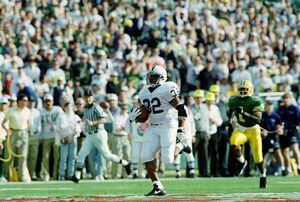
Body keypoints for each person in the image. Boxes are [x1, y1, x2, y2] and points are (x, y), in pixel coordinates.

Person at [128, 65, 191, 196]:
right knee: (145, 155)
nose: (150, 79)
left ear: (162, 78)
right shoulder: (144, 92)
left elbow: (181, 108)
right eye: (150, 76)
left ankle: (180, 145)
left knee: (168, 160)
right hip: (154, 125)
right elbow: (145, 114)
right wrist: (134, 116)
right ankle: (157, 185)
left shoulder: (167, 88)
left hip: (168, 124)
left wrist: (180, 129)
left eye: (154, 76)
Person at [71, 90, 131, 183]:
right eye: (86, 97)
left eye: (89, 96)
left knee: (107, 156)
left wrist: (93, 122)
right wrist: (83, 123)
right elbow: (87, 120)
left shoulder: (96, 107)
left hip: (99, 134)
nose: (88, 98)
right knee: (81, 154)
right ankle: (77, 176)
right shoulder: (86, 108)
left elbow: (103, 120)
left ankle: (126, 163)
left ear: (92, 97)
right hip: (90, 135)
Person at [228, 80, 266, 188]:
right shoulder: (233, 99)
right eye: (241, 89)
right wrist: (229, 120)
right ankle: (242, 162)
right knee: (234, 143)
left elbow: (258, 120)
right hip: (241, 128)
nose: (243, 92)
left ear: (250, 90)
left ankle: (263, 175)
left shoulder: (256, 100)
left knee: (258, 157)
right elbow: (230, 110)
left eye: (245, 89)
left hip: (253, 130)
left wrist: (243, 113)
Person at [4, 94, 31, 182]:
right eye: (24, 100)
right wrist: (7, 129)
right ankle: (9, 176)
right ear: (19, 101)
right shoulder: (10, 110)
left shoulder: (28, 111)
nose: (26, 102)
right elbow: (4, 123)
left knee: (23, 156)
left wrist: (27, 131)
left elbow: (29, 123)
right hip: (13, 132)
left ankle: (21, 177)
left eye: (26, 101)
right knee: (10, 156)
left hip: (23, 133)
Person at [40, 94, 64, 181]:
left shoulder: (58, 110)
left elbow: (62, 121)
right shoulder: (42, 112)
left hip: (56, 136)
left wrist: (57, 128)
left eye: (49, 101)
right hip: (46, 136)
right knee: (45, 157)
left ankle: (55, 174)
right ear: (44, 102)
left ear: (52, 101)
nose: (48, 103)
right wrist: (41, 136)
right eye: (46, 101)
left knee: (57, 156)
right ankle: (46, 175)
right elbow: (41, 126)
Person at [276, 92, 300, 175]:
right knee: (285, 152)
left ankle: (299, 166)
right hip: (283, 133)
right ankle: (288, 168)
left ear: (290, 99)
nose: (286, 100)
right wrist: (279, 128)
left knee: (295, 149)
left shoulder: (295, 108)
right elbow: (277, 120)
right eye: (285, 98)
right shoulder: (280, 109)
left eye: (287, 98)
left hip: (292, 131)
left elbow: (298, 120)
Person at [260, 100, 284, 176]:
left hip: (274, 137)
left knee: (278, 152)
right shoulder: (262, 115)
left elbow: (280, 127)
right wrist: (262, 131)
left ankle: (283, 169)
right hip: (264, 138)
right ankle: (263, 171)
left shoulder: (276, 116)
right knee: (264, 155)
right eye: (268, 105)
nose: (269, 107)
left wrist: (279, 130)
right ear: (265, 106)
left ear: (273, 107)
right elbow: (257, 126)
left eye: (271, 105)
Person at [190, 89, 210, 177]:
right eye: (197, 97)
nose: (199, 99)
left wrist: (208, 132)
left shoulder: (206, 107)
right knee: (192, 153)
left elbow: (207, 121)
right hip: (195, 133)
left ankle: (204, 172)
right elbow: (190, 122)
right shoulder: (190, 108)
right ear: (195, 98)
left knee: (204, 154)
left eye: (200, 97)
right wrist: (192, 134)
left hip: (204, 132)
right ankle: (190, 172)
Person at [27, 96, 41, 180]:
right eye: (30, 102)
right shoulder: (25, 111)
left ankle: (32, 174)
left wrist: (36, 132)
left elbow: (39, 125)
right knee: (25, 156)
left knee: (33, 156)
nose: (31, 103)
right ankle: (25, 174)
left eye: (33, 102)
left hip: (35, 136)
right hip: (26, 135)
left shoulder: (37, 112)